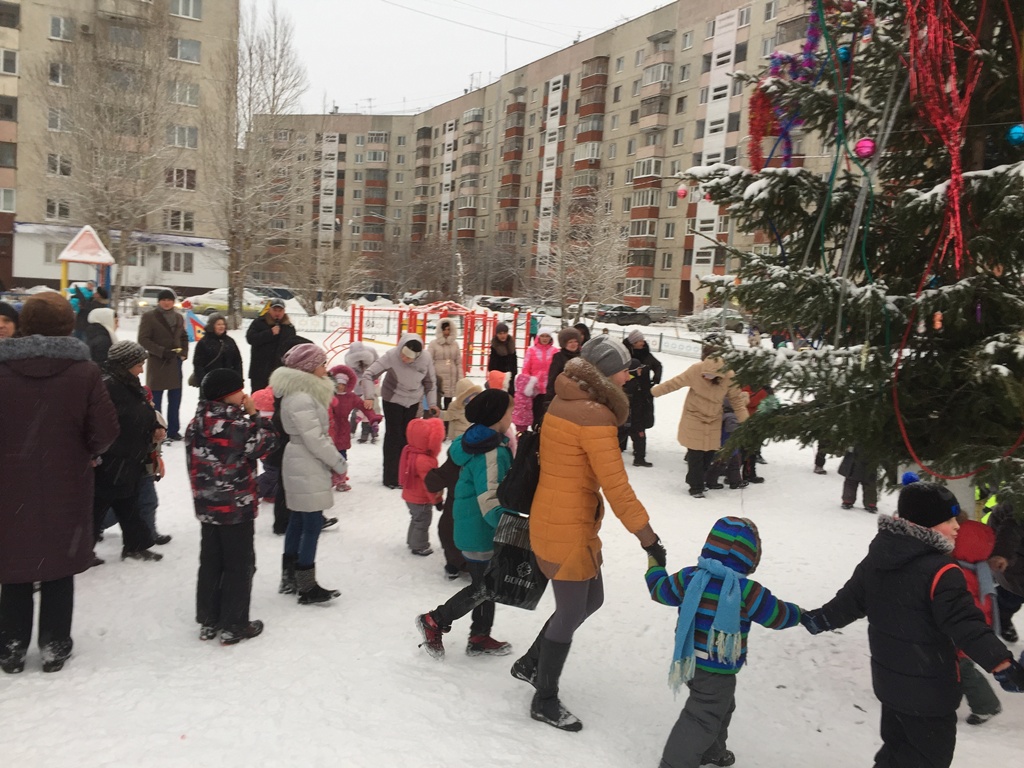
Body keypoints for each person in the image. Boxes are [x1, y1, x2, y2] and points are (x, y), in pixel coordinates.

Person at [801, 482, 1024, 768]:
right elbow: (964, 623)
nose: (957, 526)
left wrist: (820, 619)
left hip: (891, 687)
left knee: (896, 752)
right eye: (949, 520)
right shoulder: (942, 571)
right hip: (930, 694)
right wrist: (1002, 664)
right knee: (928, 760)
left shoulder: (879, 557)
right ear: (926, 523)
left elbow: (848, 602)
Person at [517, 336, 664, 731]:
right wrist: (648, 538)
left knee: (591, 600)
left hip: (564, 516)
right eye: (623, 369)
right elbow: (616, 487)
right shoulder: (594, 416)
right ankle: (544, 698)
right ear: (604, 373)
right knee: (570, 611)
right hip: (566, 524)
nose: (628, 375)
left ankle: (531, 662)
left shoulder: (564, 399)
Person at [0, 292, 118, 674]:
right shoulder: (84, 372)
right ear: (69, 325)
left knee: (13, 562)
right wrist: (84, 449)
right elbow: (105, 431)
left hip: (8, 484)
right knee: (58, 563)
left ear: (25, 324)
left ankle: (11, 645)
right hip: (66, 482)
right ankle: (54, 643)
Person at [646, 517, 802, 768]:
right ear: (750, 557)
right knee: (702, 717)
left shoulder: (690, 577)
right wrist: (799, 614)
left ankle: (712, 750)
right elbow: (777, 615)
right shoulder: (746, 590)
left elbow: (659, 590)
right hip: (716, 670)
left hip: (689, 661)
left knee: (722, 706)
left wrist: (655, 564)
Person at [416, 389, 516, 660]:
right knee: (484, 587)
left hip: (473, 527)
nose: (512, 416)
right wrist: (512, 528)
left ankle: (479, 637)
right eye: (509, 411)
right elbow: (490, 500)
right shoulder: (491, 452)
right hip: (481, 530)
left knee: (487, 585)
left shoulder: (477, 443)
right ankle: (435, 620)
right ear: (497, 416)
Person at [186, 369, 277, 645]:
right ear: (227, 394)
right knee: (239, 564)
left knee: (211, 563)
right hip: (235, 508)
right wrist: (255, 415)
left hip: (207, 505)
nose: (244, 394)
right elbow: (267, 444)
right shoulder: (235, 426)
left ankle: (209, 619)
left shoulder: (196, 422)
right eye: (239, 390)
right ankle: (234, 624)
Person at [270, 344, 346, 604]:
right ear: (309, 367)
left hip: (302, 460)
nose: (326, 368)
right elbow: (314, 438)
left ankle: (290, 576)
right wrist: (338, 462)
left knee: (298, 519)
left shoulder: (300, 392)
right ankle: (306, 585)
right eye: (322, 363)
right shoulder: (301, 397)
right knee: (311, 523)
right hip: (306, 461)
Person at [651, 336, 748, 498]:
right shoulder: (696, 370)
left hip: (713, 419)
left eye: (709, 376)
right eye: (705, 374)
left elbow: (737, 401)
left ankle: (696, 479)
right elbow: (674, 383)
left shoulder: (729, 377)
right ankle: (696, 487)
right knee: (695, 454)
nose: (705, 377)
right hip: (693, 416)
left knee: (708, 454)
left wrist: (745, 422)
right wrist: (654, 392)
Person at [93, 341, 163, 563]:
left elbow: (141, 411)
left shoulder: (128, 382)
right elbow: (99, 421)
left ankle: (136, 546)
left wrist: (154, 425)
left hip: (129, 456)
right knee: (97, 508)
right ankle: (79, 552)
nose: (142, 370)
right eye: (139, 365)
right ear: (125, 363)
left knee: (128, 503)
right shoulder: (107, 385)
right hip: (112, 457)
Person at [359, 333, 440, 489]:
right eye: (403, 354)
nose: (404, 358)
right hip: (393, 399)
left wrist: (432, 403)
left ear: (417, 356)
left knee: (408, 438)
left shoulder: (426, 358)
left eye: (408, 357)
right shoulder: (392, 355)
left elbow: (430, 383)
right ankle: (390, 477)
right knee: (394, 436)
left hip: (413, 401)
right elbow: (368, 374)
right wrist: (369, 396)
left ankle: (404, 474)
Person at [950, 515, 1003, 724]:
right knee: (958, 668)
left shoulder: (960, 574)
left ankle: (986, 705)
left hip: (964, 633)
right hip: (972, 631)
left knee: (962, 670)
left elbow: (965, 607)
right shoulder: (979, 569)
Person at [137, 289, 188, 440]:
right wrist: (161, 351)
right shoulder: (149, 317)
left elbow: (184, 336)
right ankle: (157, 429)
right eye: (163, 300)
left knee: (175, 399)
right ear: (159, 301)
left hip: (175, 362)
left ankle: (173, 430)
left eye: (169, 300)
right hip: (158, 363)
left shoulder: (178, 317)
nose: (166, 303)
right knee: (156, 399)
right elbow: (143, 339)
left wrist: (184, 352)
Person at [327, 364, 380, 492]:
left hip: (343, 430)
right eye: (337, 384)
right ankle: (327, 479)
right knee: (327, 455)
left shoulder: (351, 397)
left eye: (343, 384)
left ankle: (341, 480)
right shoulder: (327, 395)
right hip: (328, 429)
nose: (340, 387)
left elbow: (364, 407)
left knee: (342, 456)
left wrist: (373, 418)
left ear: (347, 384)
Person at [400, 417, 445, 556]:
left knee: (416, 519)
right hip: (421, 499)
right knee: (422, 522)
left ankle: (412, 541)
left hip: (410, 496)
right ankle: (419, 545)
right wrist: (437, 500)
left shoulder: (409, 451)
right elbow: (430, 484)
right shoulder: (425, 460)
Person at [620, 329, 662, 467]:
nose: (643, 343)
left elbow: (657, 365)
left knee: (639, 424)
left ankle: (639, 455)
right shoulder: (624, 354)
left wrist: (655, 378)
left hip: (643, 391)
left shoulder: (646, 353)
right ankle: (621, 447)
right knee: (624, 425)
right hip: (628, 393)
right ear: (633, 343)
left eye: (642, 340)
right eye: (639, 341)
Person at [987, 497, 1024, 644]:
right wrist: (1002, 554)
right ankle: (1001, 614)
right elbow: (1012, 527)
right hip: (1006, 546)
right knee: (1014, 593)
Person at [246, 297, 297, 392]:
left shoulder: (288, 327)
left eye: (280, 310)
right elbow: (251, 338)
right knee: (258, 397)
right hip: (260, 371)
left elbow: (292, 347)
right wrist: (269, 333)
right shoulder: (259, 322)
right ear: (269, 310)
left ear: (284, 311)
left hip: (279, 372)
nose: (277, 313)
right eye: (275, 310)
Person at [191, 312, 243, 387]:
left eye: (223, 324)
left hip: (228, 381)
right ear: (211, 326)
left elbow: (237, 362)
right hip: (210, 382)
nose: (221, 326)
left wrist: (238, 379)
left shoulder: (230, 341)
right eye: (218, 324)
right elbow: (198, 365)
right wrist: (203, 382)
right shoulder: (204, 342)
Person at [521, 326, 558, 427]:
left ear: (550, 338)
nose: (545, 338)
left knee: (547, 417)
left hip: (550, 390)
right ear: (538, 337)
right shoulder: (531, 351)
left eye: (547, 336)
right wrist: (528, 384)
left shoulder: (555, 352)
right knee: (535, 416)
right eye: (542, 336)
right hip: (535, 390)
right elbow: (525, 369)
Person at [428, 318, 462, 413]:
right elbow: (429, 361)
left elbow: (458, 362)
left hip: (451, 376)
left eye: (448, 329)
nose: (446, 332)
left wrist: (460, 377)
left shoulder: (455, 344)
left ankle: (447, 420)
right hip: (439, 376)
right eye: (444, 329)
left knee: (449, 402)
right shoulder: (433, 344)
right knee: (437, 400)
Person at [837, 446, 879, 512]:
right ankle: (870, 503)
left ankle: (848, 500)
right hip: (869, 459)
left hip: (855, 461)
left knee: (851, 482)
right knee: (869, 483)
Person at [442, 376, 482, 442]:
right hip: (458, 435)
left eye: (474, 396)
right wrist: (439, 414)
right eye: (470, 397)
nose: (473, 399)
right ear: (463, 397)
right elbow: (448, 415)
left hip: (469, 433)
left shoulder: (476, 406)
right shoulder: (456, 406)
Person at [487, 322, 517, 395]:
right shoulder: (495, 347)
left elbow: (514, 361)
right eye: (500, 333)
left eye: (504, 333)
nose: (502, 335)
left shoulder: (511, 344)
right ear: (497, 334)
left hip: (510, 378)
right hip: (499, 379)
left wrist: (513, 373)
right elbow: (492, 367)